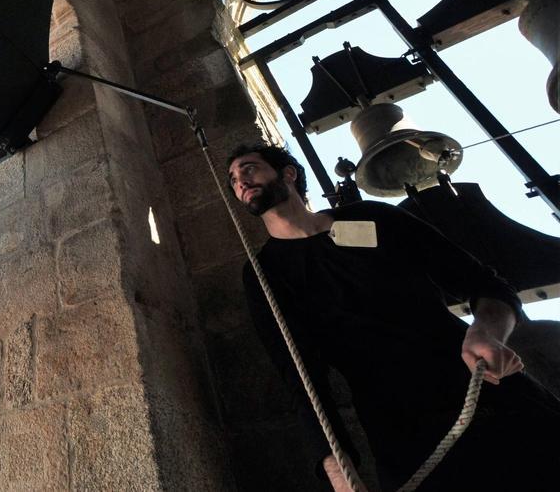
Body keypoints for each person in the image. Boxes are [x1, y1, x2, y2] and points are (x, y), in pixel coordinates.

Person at [227, 143, 560, 491]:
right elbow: (301, 378)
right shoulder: (264, 274)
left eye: (249, 168)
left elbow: (487, 285)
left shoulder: (374, 217)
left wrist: (487, 333)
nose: (241, 182)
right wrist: (340, 474)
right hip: (402, 430)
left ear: (288, 174)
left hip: (486, 389)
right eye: (233, 179)